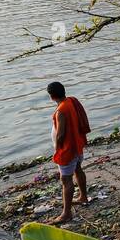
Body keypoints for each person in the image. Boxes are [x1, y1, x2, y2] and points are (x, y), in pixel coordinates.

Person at [47, 81, 90, 224]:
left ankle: (66, 213)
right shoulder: (71, 101)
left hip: (68, 149)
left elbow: (60, 134)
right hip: (77, 144)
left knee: (66, 180)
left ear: (51, 96)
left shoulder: (61, 111)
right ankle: (83, 196)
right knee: (78, 169)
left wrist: (57, 149)